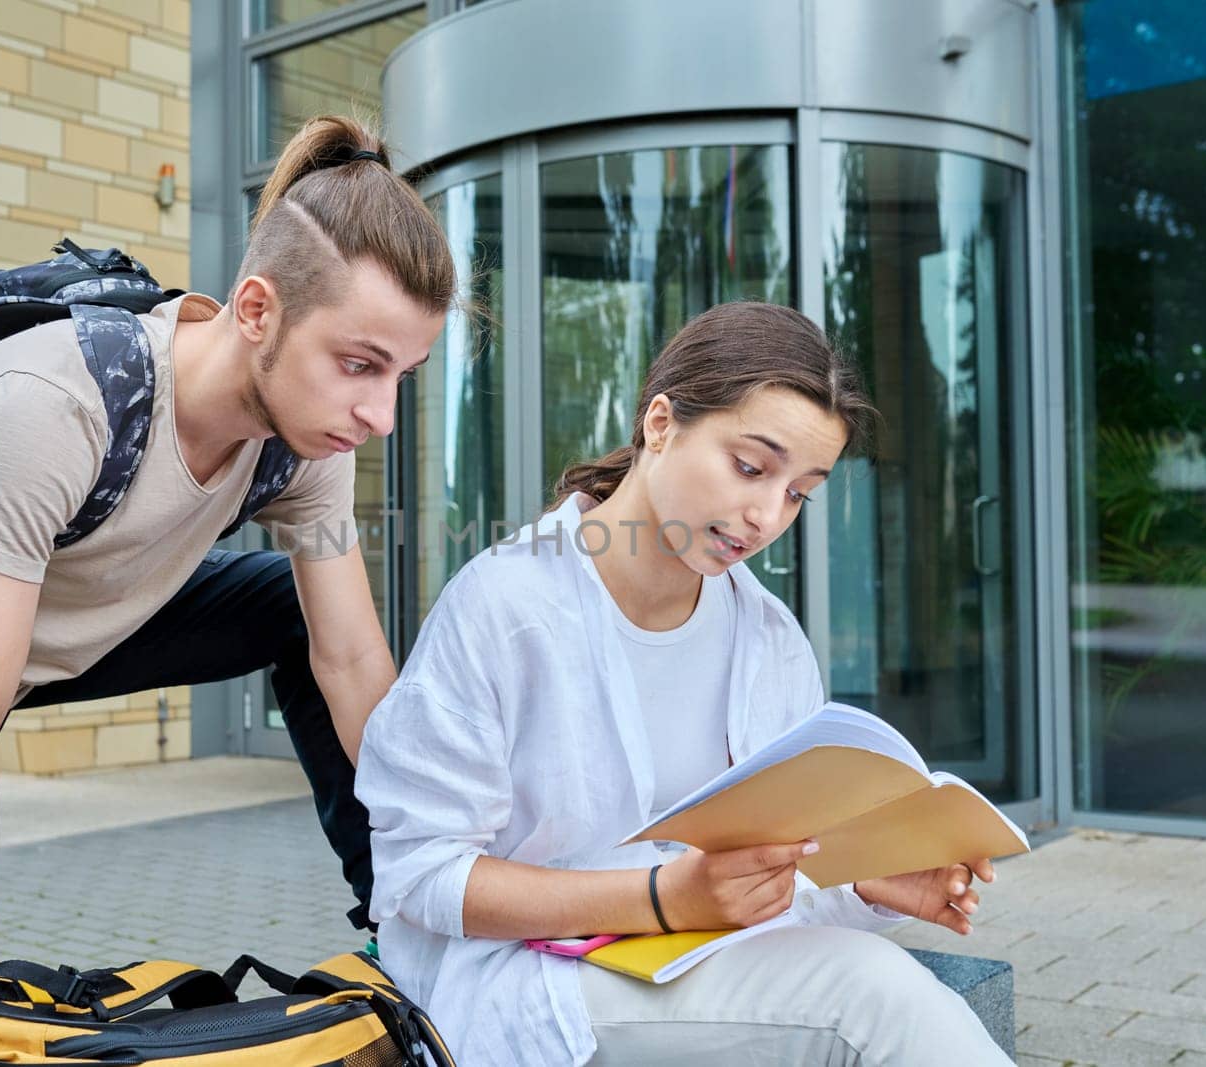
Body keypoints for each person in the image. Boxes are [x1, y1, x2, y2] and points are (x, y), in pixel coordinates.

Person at [0, 115, 455, 1066]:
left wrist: (442, 877)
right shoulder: (53, 408)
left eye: (404, 374)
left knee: (291, 611)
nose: (380, 415)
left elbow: (352, 659)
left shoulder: (307, 449)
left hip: (48, 612)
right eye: (360, 364)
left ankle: (402, 919)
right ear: (257, 311)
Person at [355, 301, 1014, 1065]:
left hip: (697, 960)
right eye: (750, 466)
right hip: (526, 980)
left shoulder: (768, 640)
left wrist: (865, 882)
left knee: (869, 985)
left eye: (800, 491)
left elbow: (765, 878)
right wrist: (665, 897)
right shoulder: (507, 607)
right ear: (660, 424)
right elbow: (420, 875)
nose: (767, 514)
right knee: (870, 996)